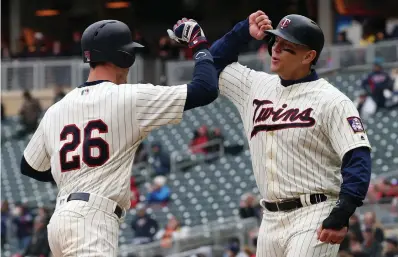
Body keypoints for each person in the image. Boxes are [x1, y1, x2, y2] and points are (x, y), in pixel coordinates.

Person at [20, 18, 218, 256]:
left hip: (60, 220)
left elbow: (29, 166)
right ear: (123, 57)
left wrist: (77, 173)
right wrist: (198, 43)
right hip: (92, 219)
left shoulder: (56, 109)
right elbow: (206, 89)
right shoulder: (128, 97)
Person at [209, 11, 372, 257]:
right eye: (275, 41)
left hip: (314, 212)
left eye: (287, 46)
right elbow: (212, 63)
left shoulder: (332, 100)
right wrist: (243, 30)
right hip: (270, 220)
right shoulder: (256, 86)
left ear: (308, 56)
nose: (275, 49)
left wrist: (342, 212)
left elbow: (357, 156)